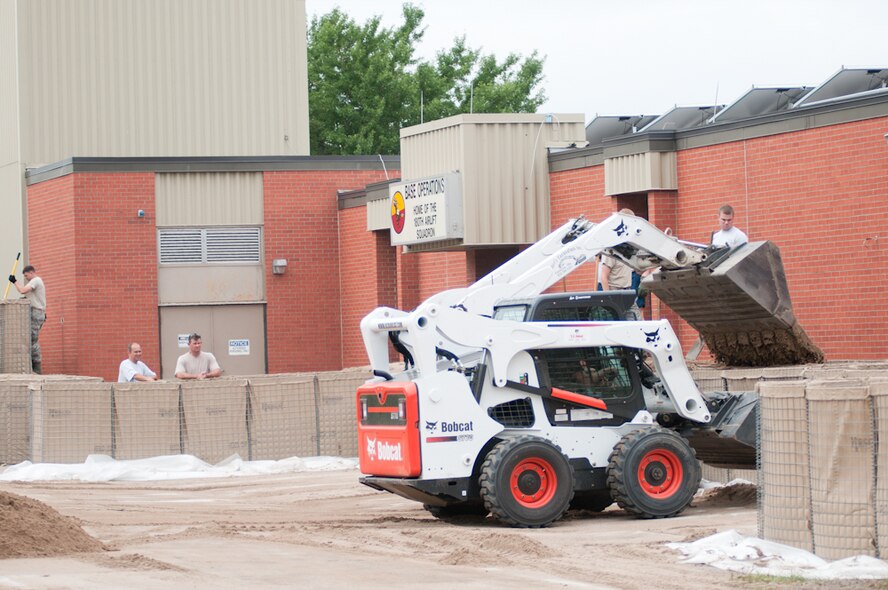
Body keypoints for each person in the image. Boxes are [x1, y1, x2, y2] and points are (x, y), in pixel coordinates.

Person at [600, 208, 641, 320]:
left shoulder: (628, 250)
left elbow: (637, 269)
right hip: (614, 291)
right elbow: (604, 276)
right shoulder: (613, 250)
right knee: (616, 321)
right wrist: (607, 297)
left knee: (637, 321)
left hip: (627, 291)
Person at [8, 264, 46, 374]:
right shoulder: (34, 282)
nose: (26, 278)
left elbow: (23, 290)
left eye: (26, 275)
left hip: (37, 312)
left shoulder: (36, 280)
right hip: (36, 312)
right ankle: (33, 367)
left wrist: (14, 281)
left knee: (32, 340)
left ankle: (37, 368)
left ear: (31, 272)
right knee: (29, 339)